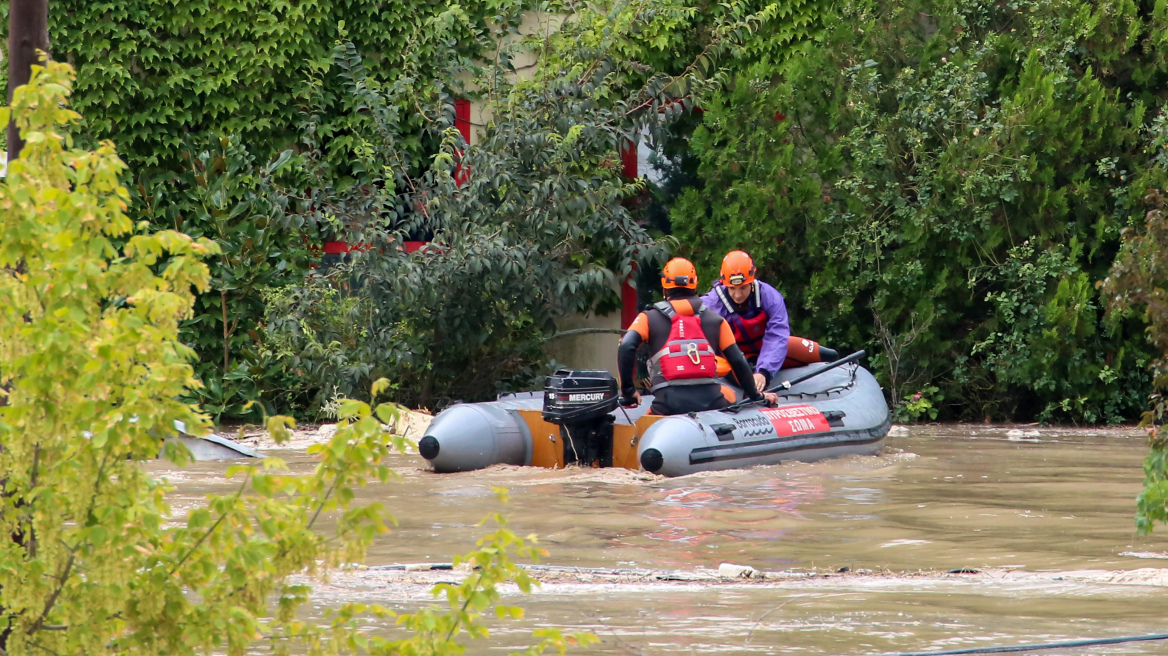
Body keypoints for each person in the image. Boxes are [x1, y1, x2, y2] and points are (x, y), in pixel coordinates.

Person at [617, 257, 778, 415]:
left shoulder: (648, 318)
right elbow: (738, 361)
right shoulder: (716, 320)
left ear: (664, 288)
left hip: (667, 404)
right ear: (694, 285)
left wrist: (629, 392)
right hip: (711, 401)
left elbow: (626, 346)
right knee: (729, 394)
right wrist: (756, 396)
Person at [702, 250, 791, 393]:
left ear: (752, 281)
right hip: (732, 357)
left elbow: (778, 335)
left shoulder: (770, 297)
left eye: (743, 287)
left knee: (823, 354)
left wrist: (764, 372)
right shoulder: (711, 303)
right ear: (724, 283)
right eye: (732, 288)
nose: (737, 295)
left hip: (763, 348)